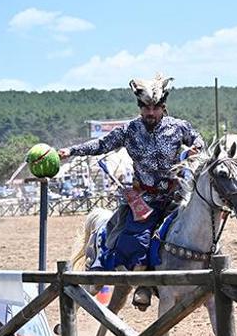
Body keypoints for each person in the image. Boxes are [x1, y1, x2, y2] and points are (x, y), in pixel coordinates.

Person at [57, 73, 203, 310]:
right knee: (134, 241)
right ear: (140, 107)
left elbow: (198, 140)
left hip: (177, 196)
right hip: (144, 199)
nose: (150, 113)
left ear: (163, 107)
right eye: (146, 108)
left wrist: (196, 148)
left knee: (196, 230)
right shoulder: (129, 130)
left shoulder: (179, 127)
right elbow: (100, 145)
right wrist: (71, 151)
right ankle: (142, 284)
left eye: (155, 108)